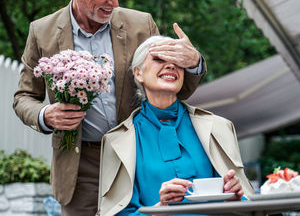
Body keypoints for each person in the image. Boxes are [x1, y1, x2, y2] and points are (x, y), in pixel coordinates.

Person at [13, 0, 205, 215]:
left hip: (139, 155)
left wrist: (194, 62)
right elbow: (23, 97)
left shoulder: (141, 24)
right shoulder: (42, 32)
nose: (114, 1)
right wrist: (47, 115)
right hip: (81, 166)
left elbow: (171, 89)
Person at [98, 35, 254, 216]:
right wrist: (159, 210)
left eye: (177, 60)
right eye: (159, 58)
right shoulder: (116, 141)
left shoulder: (219, 127)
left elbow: (245, 207)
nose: (171, 65)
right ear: (138, 73)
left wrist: (235, 197)